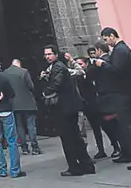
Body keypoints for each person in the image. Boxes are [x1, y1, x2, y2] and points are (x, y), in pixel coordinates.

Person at [94, 27, 131, 171]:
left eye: (106, 39)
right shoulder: (122, 49)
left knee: (130, 127)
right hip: (126, 93)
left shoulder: (120, 50)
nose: (106, 42)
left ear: (112, 36)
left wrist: (103, 64)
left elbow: (117, 70)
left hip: (123, 95)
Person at [42, 45, 95, 177]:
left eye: (49, 54)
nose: (47, 57)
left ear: (55, 54)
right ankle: (86, 165)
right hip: (69, 107)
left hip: (64, 108)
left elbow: (56, 85)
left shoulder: (58, 67)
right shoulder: (57, 66)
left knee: (68, 139)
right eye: (46, 54)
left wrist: (45, 92)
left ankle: (74, 167)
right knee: (75, 137)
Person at [75, 55, 118, 159]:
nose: (79, 67)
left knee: (106, 127)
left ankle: (116, 146)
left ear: (86, 64)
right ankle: (101, 149)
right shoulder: (78, 76)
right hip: (87, 106)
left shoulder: (90, 72)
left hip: (96, 104)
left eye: (80, 64)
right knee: (95, 129)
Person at [87, 43, 122, 158]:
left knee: (111, 125)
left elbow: (91, 75)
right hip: (107, 98)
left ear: (99, 50)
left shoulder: (101, 63)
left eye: (94, 52)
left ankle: (121, 148)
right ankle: (120, 147)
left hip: (105, 100)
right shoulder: (111, 59)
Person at [3, 58, 41, 155]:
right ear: (19, 64)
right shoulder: (24, 71)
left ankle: (24, 148)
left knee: (19, 126)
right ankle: (35, 147)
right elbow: (31, 86)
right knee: (31, 125)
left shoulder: (5, 73)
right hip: (28, 102)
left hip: (14, 104)